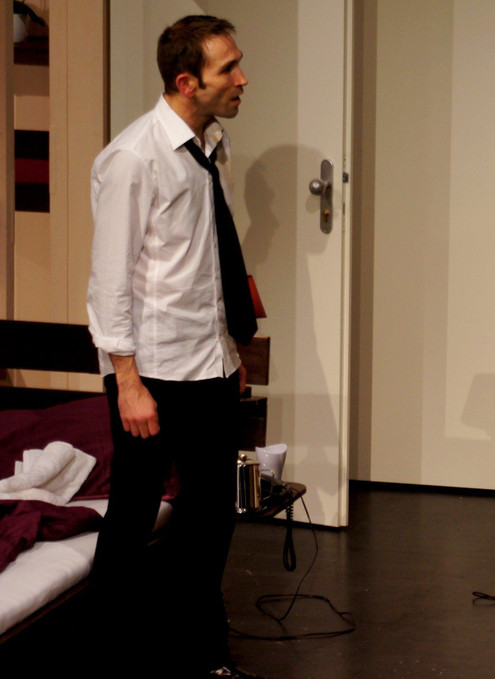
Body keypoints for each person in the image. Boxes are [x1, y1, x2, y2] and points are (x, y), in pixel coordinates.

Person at [87, 15, 264, 679]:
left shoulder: (210, 144)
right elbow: (109, 280)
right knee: (132, 518)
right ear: (188, 82)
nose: (243, 78)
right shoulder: (134, 157)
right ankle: (110, 653)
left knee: (211, 517)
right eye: (228, 68)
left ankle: (202, 652)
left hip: (207, 361)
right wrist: (127, 381)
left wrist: (229, 352)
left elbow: (206, 261)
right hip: (153, 373)